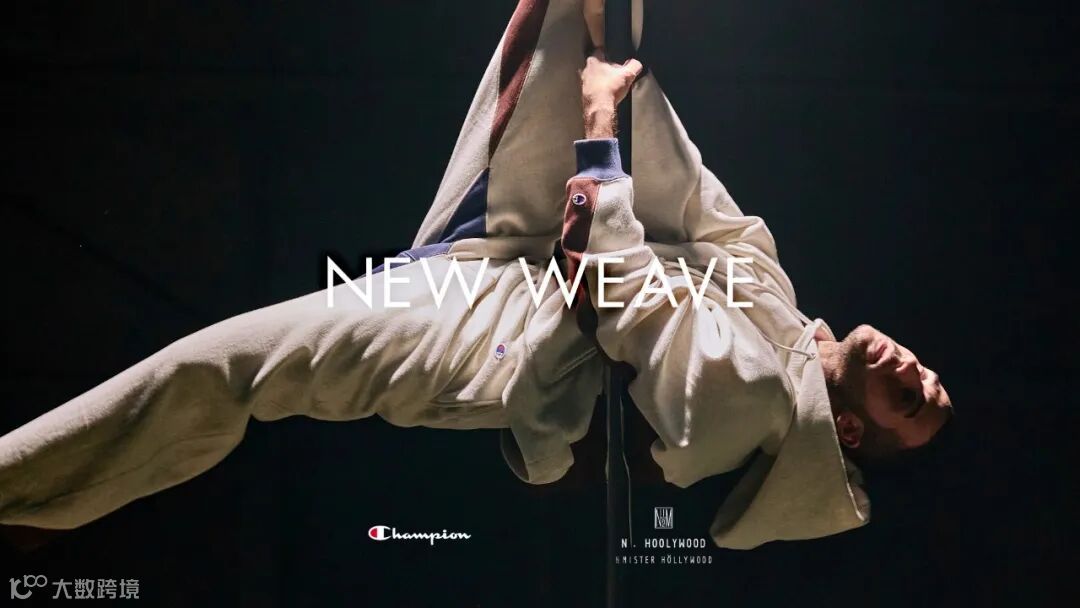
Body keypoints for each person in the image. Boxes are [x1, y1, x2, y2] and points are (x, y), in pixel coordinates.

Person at [0, 0, 951, 549]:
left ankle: (21, 489)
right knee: (584, 11)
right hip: (535, 229)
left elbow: (621, 296)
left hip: (490, 329)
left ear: (851, 430)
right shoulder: (775, 299)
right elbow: (693, 193)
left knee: (229, 367)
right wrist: (620, 81)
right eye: (930, 377)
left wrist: (600, 122)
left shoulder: (757, 403)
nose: (917, 371)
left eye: (912, 403)